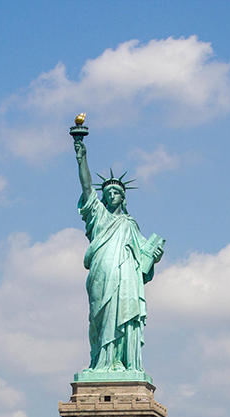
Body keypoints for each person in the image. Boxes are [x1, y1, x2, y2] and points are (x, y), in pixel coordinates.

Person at [74, 136, 164, 375]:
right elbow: (86, 187)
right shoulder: (98, 216)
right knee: (100, 318)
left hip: (126, 278)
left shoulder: (130, 224)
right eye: (108, 192)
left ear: (123, 198)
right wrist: (81, 158)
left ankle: (121, 363)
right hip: (101, 275)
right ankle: (100, 362)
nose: (112, 195)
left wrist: (155, 253)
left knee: (124, 316)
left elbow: (144, 255)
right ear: (102, 197)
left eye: (117, 192)